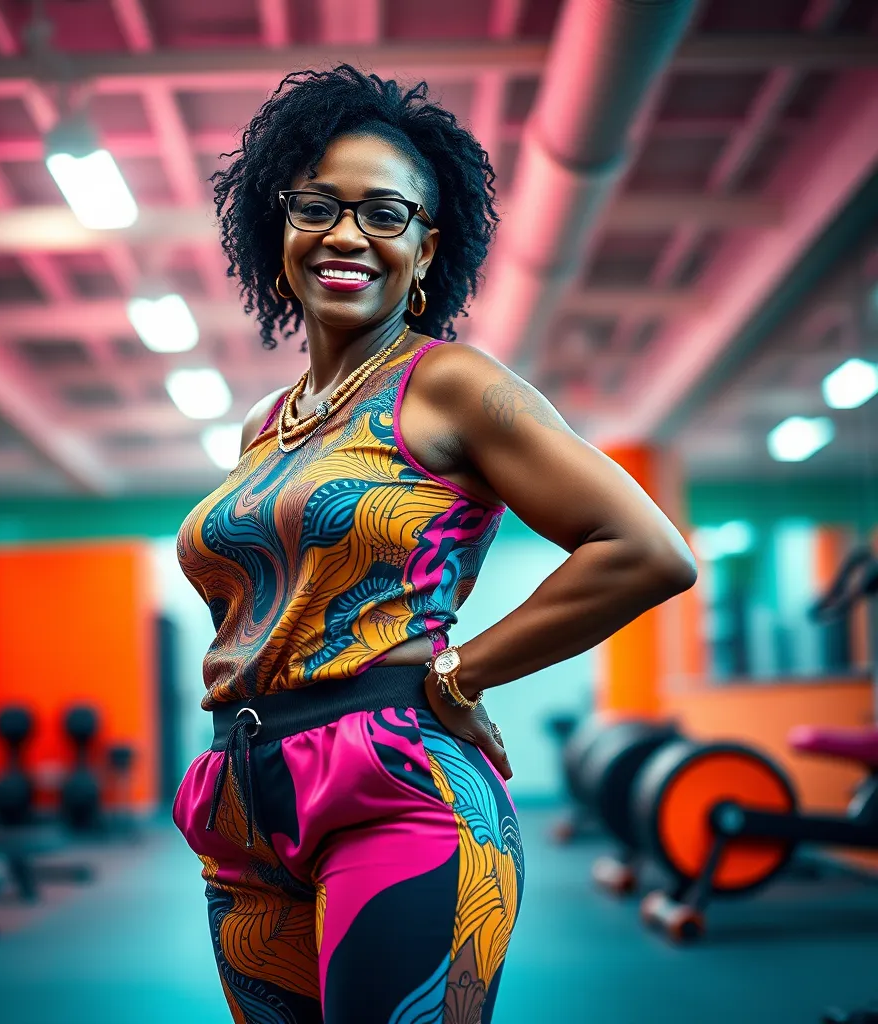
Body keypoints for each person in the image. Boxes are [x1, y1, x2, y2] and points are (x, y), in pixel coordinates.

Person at [173, 65, 697, 1023]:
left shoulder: (447, 385)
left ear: (426, 249)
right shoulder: (263, 425)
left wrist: (462, 675)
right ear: (276, 226)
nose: (345, 234)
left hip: (396, 790)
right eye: (318, 205)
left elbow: (646, 548)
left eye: (385, 213)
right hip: (244, 802)